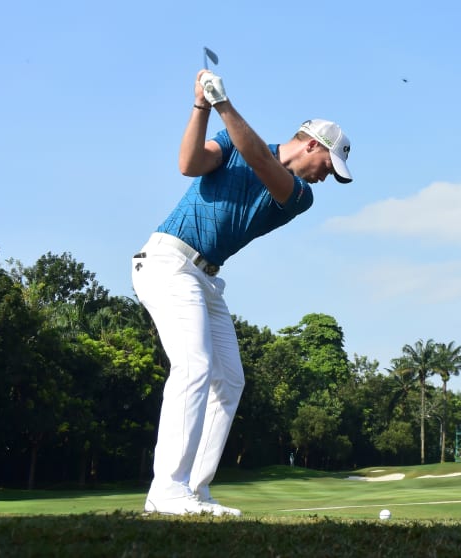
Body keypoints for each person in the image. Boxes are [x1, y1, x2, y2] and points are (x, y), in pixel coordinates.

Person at [132, 69, 353, 516]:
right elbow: (189, 165)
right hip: (167, 262)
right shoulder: (232, 143)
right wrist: (201, 105)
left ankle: (193, 488)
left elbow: (262, 163)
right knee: (194, 365)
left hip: (207, 280)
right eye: (329, 166)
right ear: (313, 144)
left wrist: (222, 103)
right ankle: (167, 490)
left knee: (229, 380)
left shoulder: (299, 196)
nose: (327, 177)